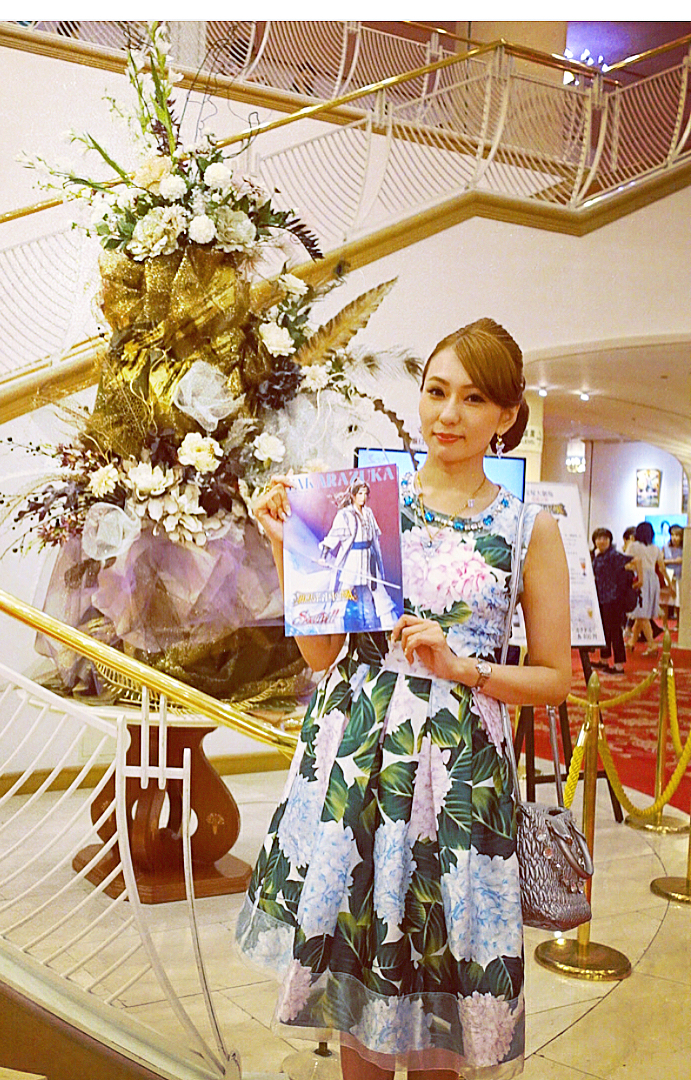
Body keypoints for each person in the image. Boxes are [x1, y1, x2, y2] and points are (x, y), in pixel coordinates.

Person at [236, 318, 571, 1080]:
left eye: (473, 398)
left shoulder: (528, 528)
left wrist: (463, 667)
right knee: (356, 980)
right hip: (358, 759)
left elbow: (557, 678)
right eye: (436, 391)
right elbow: (323, 656)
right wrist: (289, 547)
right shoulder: (364, 504)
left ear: (507, 414)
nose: (448, 414)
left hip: (457, 773)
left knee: (439, 985)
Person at [317, 480, 398, 631]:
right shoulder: (345, 515)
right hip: (352, 559)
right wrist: (323, 556)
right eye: (360, 493)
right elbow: (333, 537)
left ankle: (390, 625)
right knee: (343, 594)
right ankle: (333, 627)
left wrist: (377, 557)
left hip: (368, 559)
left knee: (379, 591)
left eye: (365, 494)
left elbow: (374, 537)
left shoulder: (368, 513)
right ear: (353, 495)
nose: (363, 497)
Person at [590, 527, 633, 674]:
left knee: (615, 632)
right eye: (599, 538)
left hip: (614, 599)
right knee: (604, 631)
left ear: (610, 540)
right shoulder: (598, 556)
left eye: (605, 538)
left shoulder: (613, 555)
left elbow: (634, 561)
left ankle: (619, 665)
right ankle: (604, 660)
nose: (602, 541)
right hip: (602, 599)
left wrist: (639, 580)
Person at [626, 521, 669, 655]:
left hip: (640, 578)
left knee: (642, 614)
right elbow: (661, 567)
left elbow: (626, 562)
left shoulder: (633, 546)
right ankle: (632, 642)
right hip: (653, 580)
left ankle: (652, 645)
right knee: (641, 614)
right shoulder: (655, 548)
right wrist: (669, 583)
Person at [662, 524, 683, 624]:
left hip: (680, 577)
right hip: (668, 577)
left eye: (677, 535)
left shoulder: (684, 548)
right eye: (672, 535)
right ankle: (664, 625)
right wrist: (674, 561)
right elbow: (661, 560)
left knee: (679, 602)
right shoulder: (666, 547)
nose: (674, 538)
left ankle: (679, 624)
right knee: (665, 602)